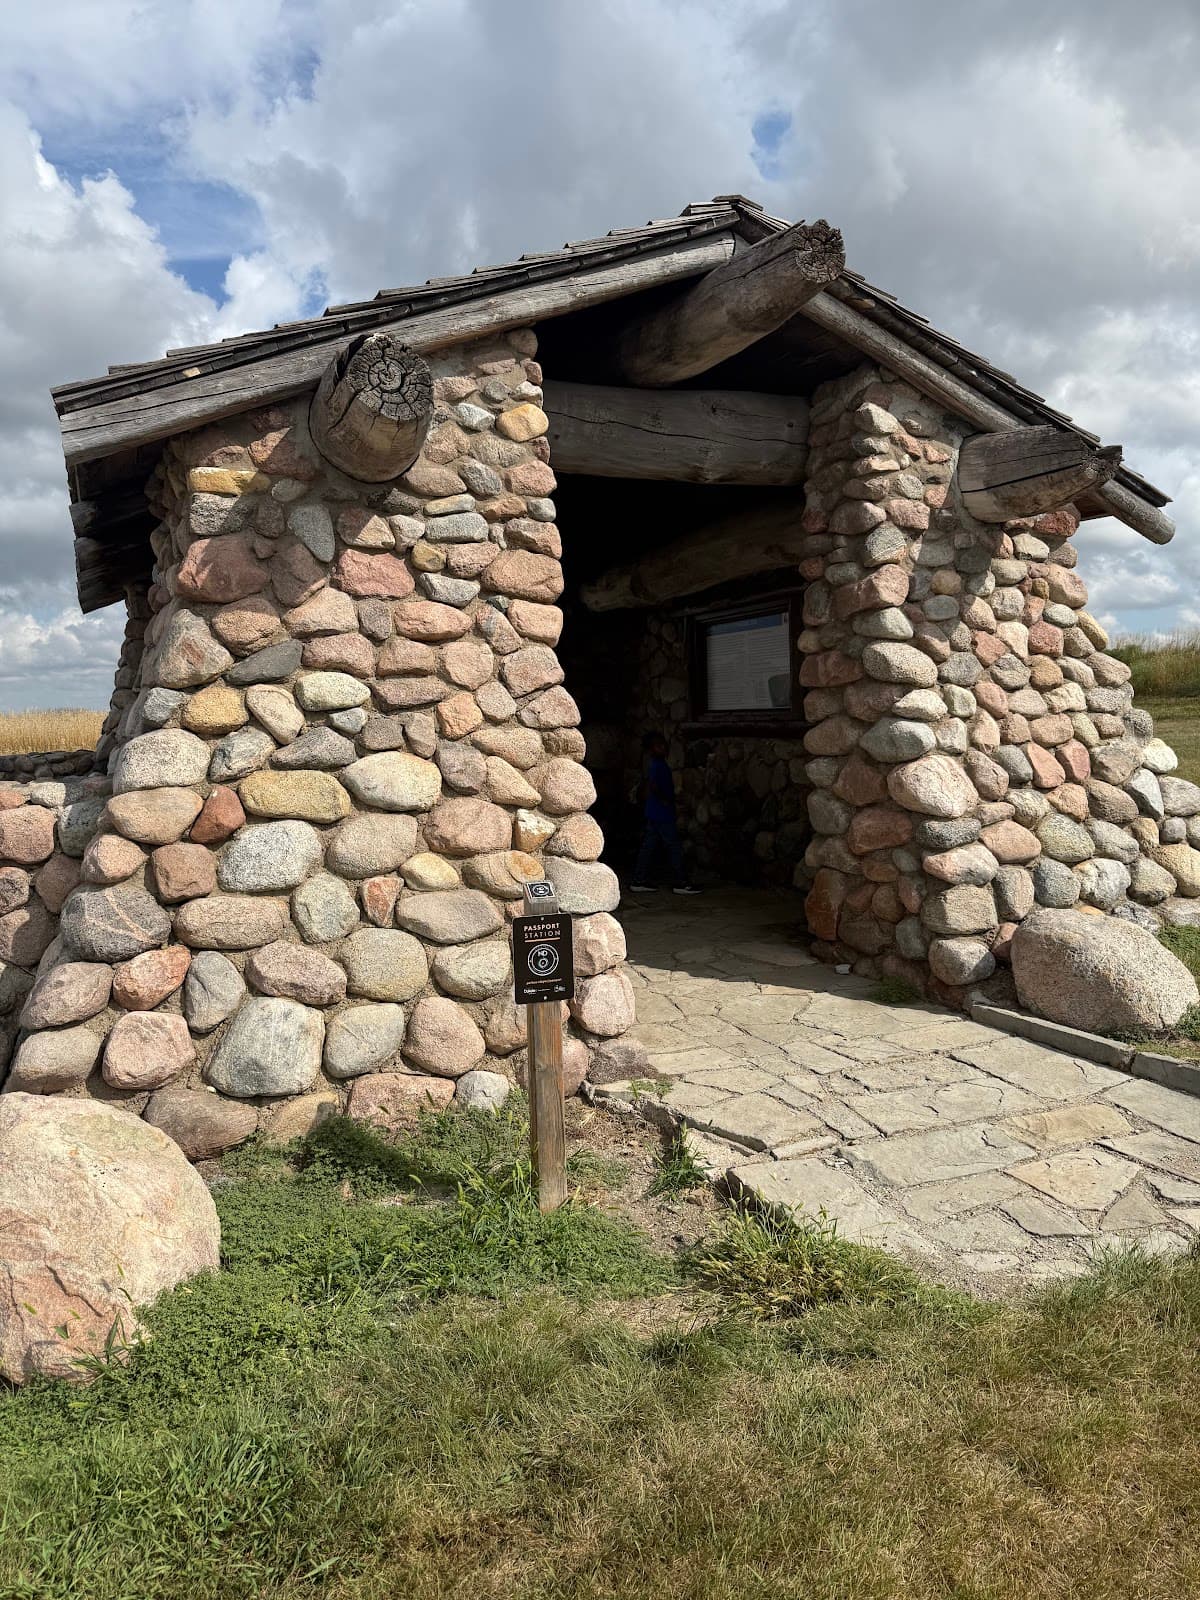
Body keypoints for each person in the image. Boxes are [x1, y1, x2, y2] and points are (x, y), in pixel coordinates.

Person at [629, 731, 700, 894]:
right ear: (651, 749)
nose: (663, 748)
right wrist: (666, 800)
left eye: (663, 744)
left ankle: (638, 880)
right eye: (658, 746)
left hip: (655, 812)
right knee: (674, 847)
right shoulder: (658, 766)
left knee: (649, 847)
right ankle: (682, 882)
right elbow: (654, 786)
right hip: (662, 813)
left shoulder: (657, 764)